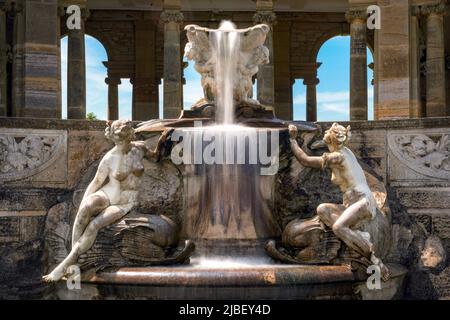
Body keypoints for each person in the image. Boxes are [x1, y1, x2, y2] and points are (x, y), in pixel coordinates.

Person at [43, 120, 170, 282]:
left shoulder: (140, 148)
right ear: (114, 139)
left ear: (129, 136)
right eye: (118, 140)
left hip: (125, 202)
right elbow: (95, 182)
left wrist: (164, 143)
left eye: (125, 139)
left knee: (94, 225)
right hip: (108, 193)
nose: (122, 143)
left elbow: (155, 157)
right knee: (85, 209)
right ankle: (74, 257)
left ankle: (66, 264)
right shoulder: (110, 158)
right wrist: (83, 203)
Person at [288, 123, 390, 280]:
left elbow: (306, 160)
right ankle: (356, 237)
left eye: (327, 136)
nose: (325, 137)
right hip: (352, 202)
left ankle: (375, 260)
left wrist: (293, 140)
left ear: (331, 139)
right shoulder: (343, 151)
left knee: (338, 227)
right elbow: (323, 146)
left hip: (363, 201)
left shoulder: (338, 157)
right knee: (322, 209)